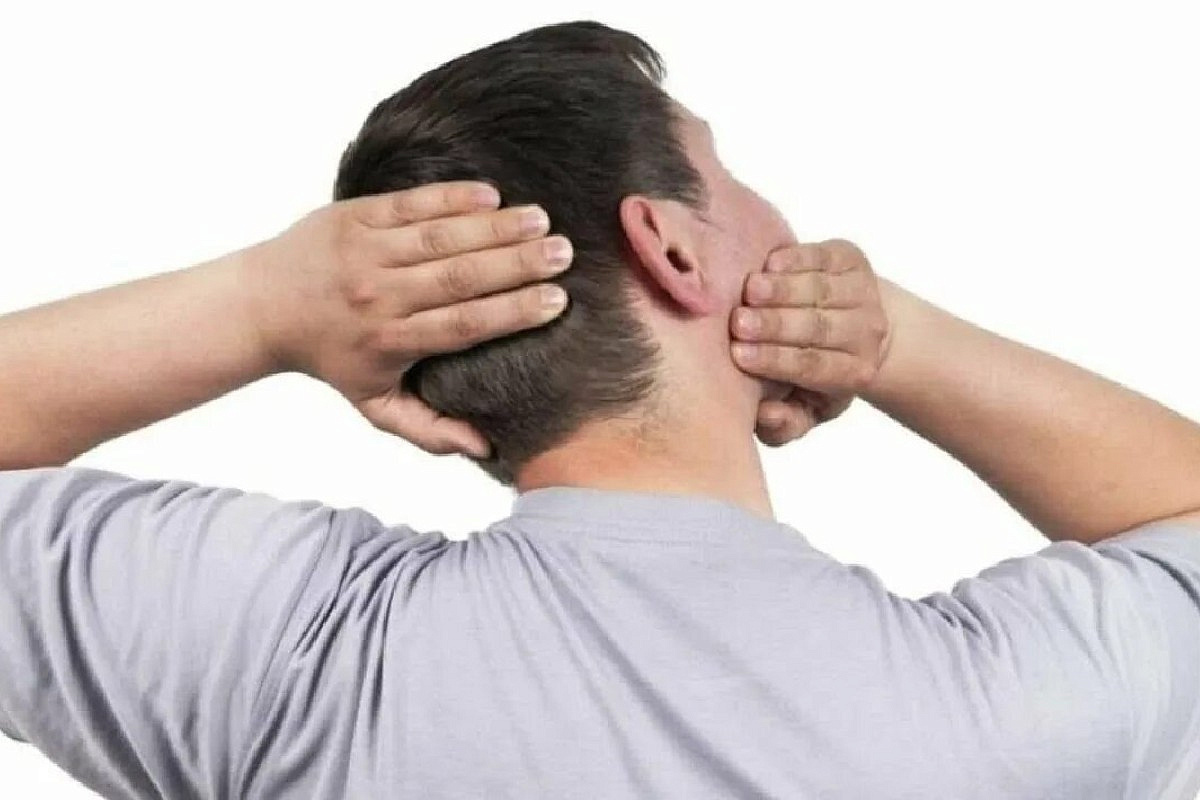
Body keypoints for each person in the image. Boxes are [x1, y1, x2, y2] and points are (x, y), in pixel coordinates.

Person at [1, 19, 1198, 800]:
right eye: (728, 173)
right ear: (672, 247)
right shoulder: (997, 709)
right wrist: (904, 343)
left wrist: (260, 304)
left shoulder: (301, 647)